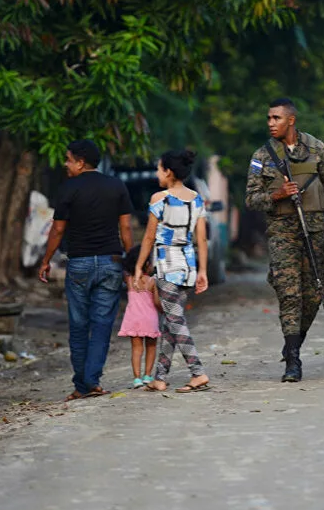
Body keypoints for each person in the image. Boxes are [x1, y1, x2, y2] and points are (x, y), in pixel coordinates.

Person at [244, 98, 324, 382]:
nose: (270, 123)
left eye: (276, 118)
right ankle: (293, 361)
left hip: (315, 232)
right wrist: (277, 195)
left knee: (313, 295)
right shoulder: (262, 155)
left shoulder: (316, 148)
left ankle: (292, 344)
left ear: (291, 120)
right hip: (282, 233)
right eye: (269, 118)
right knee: (290, 294)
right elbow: (250, 199)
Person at [39, 139, 134, 402]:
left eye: (68, 159)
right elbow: (126, 228)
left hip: (79, 264)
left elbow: (58, 229)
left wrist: (46, 260)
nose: (65, 164)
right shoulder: (116, 186)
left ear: (81, 162)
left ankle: (82, 384)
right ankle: (91, 380)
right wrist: (132, 262)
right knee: (102, 324)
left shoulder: (68, 188)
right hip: (111, 262)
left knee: (79, 325)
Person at [134, 149, 211, 394]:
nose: (157, 173)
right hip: (188, 268)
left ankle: (198, 372)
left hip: (167, 267)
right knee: (171, 323)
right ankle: (160, 378)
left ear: (168, 172)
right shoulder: (196, 199)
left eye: (159, 169)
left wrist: (138, 266)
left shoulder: (159, 199)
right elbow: (201, 239)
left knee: (176, 321)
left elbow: (149, 237)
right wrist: (203, 271)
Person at [120, 245, 160, 389]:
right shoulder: (152, 281)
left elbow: (122, 266)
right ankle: (147, 376)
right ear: (147, 264)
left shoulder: (129, 280)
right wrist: (163, 310)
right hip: (150, 319)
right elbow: (157, 302)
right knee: (151, 346)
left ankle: (136, 378)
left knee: (136, 349)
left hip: (133, 319)